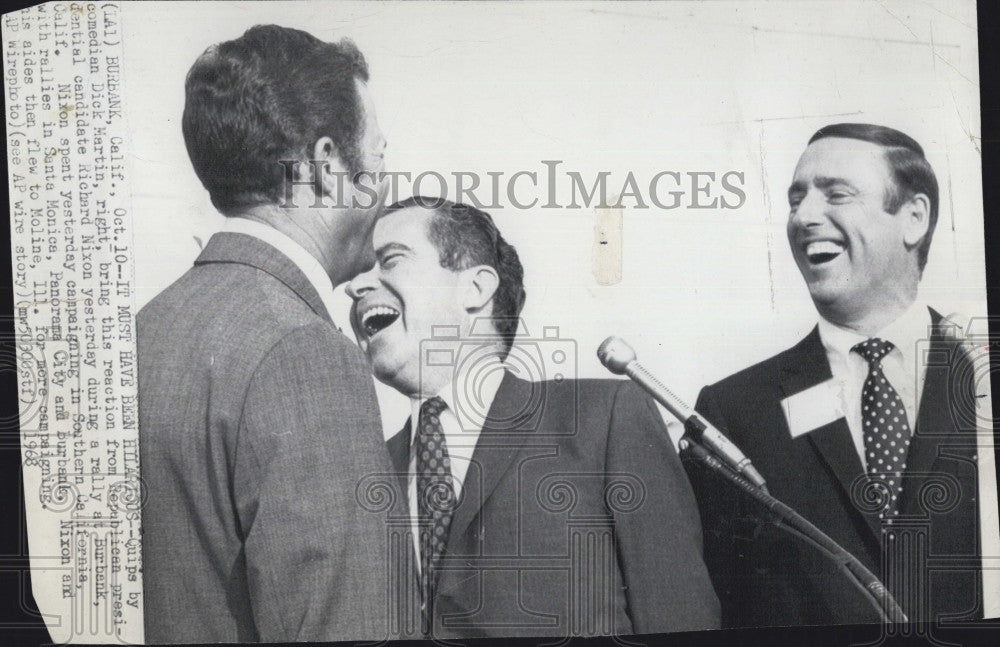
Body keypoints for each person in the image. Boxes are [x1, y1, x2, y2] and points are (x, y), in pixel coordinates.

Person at [345, 196, 720, 638]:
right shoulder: (368, 473)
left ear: (476, 289)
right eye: (357, 272)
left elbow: (680, 614)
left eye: (389, 260)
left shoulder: (603, 420)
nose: (356, 286)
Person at [138, 25, 396, 642]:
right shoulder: (302, 353)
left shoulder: (142, 332)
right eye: (381, 161)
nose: (386, 190)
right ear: (329, 167)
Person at [688, 123, 981, 628]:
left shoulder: (982, 376)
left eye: (836, 195)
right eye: (795, 199)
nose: (803, 217)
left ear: (914, 218)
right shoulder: (732, 413)